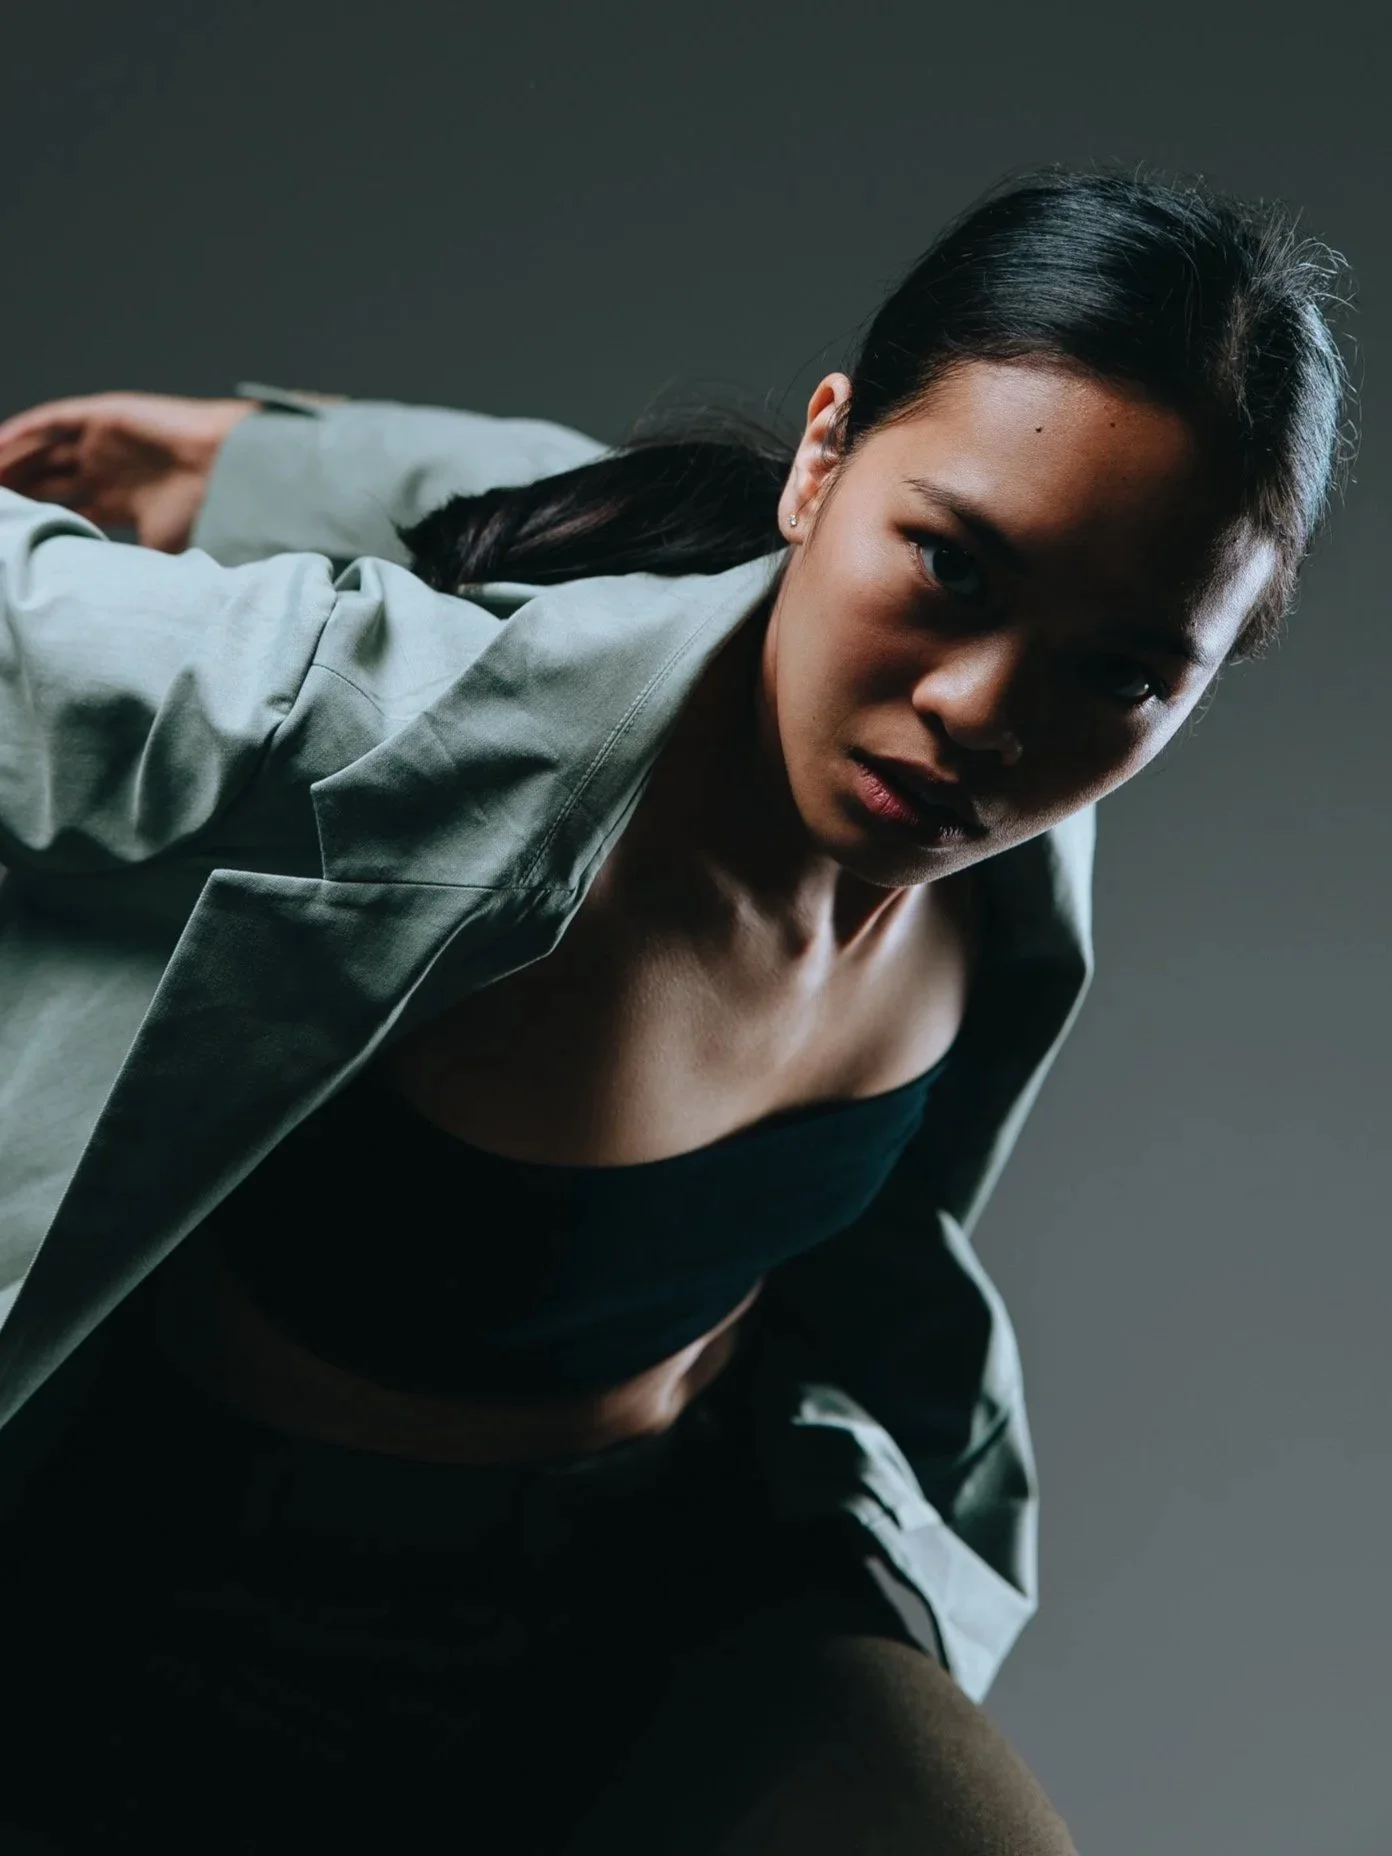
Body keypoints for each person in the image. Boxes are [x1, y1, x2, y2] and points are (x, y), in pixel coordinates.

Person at [0, 167, 1354, 1854]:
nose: (979, 713)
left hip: (687, 1594)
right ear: (825, 459)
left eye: (1128, 669)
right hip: (200, 1599)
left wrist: (279, 463)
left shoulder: (1017, 846)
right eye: (949, 568)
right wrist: (238, 477)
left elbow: (642, 499)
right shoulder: (427, 733)